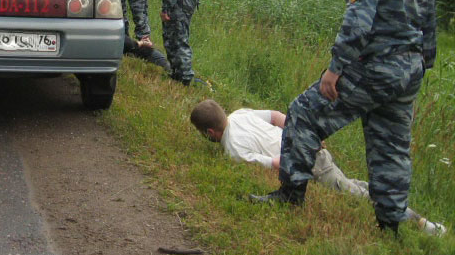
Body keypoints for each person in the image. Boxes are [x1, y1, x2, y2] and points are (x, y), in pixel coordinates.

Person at [249, 0, 438, 235]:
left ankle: (290, 194)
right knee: (392, 147)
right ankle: (390, 225)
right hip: (408, 70)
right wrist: (418, 74)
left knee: (304, 113)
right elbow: (429, 27)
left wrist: (334, 70)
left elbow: (358, 24)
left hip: (375, 66)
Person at [190, 100, 446, 236]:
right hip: (310, 148)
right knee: (354, 188)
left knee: (356, 195)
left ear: (210, 132)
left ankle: (421, 223)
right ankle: (389, 199)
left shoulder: (232, 149)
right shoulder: (240, 114)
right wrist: (305, 135)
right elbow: (279, 117)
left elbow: (277, 164)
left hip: (312, 162)